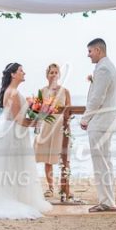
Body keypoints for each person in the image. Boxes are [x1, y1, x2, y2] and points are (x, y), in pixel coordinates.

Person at [0, 63, 52, 220]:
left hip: (11, 131)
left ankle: (16, 196)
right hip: (14, 134)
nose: (24, 73)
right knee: (15, 167)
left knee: (12, 168)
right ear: (13, 74)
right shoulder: (14, 93)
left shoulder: (11, 91)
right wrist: (36, 122)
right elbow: (19, 119)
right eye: (21, 70)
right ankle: (14, 199)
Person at [80, 38, 116, 213]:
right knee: (105, 162)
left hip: (100, 122)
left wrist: (85, 119)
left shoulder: (103, 69)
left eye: (90, 51)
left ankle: (107, 202)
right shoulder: (107, 66)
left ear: (98, 50)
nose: (88, 55)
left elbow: (97, 99)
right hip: (106, 121)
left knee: (101, 164)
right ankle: (108, 200)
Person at [34, 63, 70, 198]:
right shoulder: (42, 91)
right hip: (47, 127)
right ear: (47, 75)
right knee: (47, 159)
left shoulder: (65, 91)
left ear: (59, 75)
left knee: (63, 158)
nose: (54, 75)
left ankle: (64, 188)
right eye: (51, 72)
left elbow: (69, 111)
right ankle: (50, 188)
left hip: (60, 127)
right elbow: (37, 112)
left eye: (56, 72)